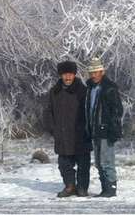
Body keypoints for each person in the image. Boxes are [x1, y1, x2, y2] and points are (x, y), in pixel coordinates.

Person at [44, 61, 91, 197]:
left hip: (81, 135)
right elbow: (48, 112)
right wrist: (53, 129)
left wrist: (88, 129)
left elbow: (90, 111)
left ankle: (82, 187)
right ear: (61, 75)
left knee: (83, 164)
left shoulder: (83, 90)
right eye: (65, 74)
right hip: (62, 135)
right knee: (64, 164)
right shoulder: (54, 91)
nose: (68, 77)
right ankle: (69, 186)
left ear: (74, 74)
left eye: (70, 74)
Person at [85, 57, 124, 198]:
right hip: (94, 130)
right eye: (91, 72)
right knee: (98, 161)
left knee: (107, 161)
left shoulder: (109, 88)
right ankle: (105, 188)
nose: (94, 75)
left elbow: (118, 110)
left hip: (106, 131)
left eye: (96, 72)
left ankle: (111, 189)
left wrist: (109, 126)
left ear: (102, 71)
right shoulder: (90, 88)